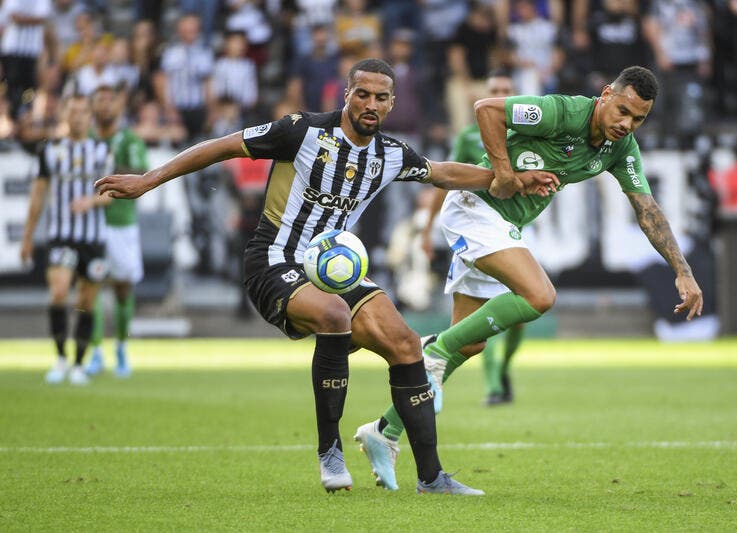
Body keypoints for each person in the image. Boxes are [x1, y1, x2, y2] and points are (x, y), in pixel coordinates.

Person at [95, 58, 551, 495]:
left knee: (407, 344)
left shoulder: (390, 154)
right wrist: (148, 180)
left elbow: (443, 172)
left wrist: (505, 178)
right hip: (274, 259)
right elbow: (223, 146)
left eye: (382, 97)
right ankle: (330, 450)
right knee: (336, 315)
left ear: (392, 104)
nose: (371, 104)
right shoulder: (301, 130)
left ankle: (431, 477)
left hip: (332, 268)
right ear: (346, 94)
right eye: (363, 94)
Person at [357, 65, 704, 488]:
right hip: (475, 210)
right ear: (607, 94)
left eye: (638, 119)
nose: (626, 124)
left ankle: (385, 432)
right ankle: (433, 350)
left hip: (505, 227)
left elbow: (646, 209)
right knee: (540, 296)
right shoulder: (562, 112)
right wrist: (503, 174)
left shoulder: (620, 149)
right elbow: (486, 109)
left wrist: (682, 271)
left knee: (470, 341)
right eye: (623, 111)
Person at [421, 68, 522, 405]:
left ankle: (494, 370)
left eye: (506, 89)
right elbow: (449, 177)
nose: (500, 94)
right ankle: (493, 385)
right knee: (492, 314)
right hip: (481, 229)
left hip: (519, 233)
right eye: (494, 89)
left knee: (516, 315)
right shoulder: (469, 137)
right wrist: (427, 227)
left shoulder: (531, 132)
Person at [20, 94, 114, 386]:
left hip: (92, 238)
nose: (77, 117)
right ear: (64, 115)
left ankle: (78, 364)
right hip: (61, 236)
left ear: (89, 116)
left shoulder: (102, 151)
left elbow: (112, 194)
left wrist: (90, 202)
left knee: (86, 301)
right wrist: (27, 236)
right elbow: (38, 195)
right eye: (72, 112)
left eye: (82, 112)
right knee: (59, 291)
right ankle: (60, 357)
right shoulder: (50, 151)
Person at [85, 86, 149, 378]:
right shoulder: (83, 141)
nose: (106, 106)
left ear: (118, 108)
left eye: (110, 101)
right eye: (100, 100)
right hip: (87, 224)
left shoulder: (129, 140)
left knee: (122, 288)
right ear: (92, 106)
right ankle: (96, 350)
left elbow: (137, 179)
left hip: (120, 223)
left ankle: (121, 346)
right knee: (91, 286)